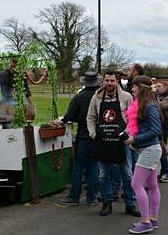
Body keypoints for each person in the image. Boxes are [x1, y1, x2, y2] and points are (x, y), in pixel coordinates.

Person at [87, 70, 140, 217]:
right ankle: (107, 202)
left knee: (127, 174)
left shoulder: (126, 97)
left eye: (112, 81)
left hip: (122, 143)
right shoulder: (96, 98)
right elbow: (90, 117)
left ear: (117, 81)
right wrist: (93, 134)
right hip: (103, 142)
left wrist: (127, 133)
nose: (109, 83)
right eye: (107, 80)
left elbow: (133, 118)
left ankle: (130, 204)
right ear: (103, 81)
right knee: (104, 175)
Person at [124, 75, 163, 234]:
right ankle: (152, 219)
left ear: (141, 88)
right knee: (152, 186)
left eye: (134, 86)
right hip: (148, 149)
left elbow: (156, 130)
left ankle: (145, 222)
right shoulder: (142, 104)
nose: (132, 89)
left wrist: (135, 138)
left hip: (150, 150)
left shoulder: (150, 106)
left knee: (136, 184)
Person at [55, 71, 100, 206]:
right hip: (97, 137)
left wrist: (62, 120)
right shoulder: (100, 97)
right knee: (93, 167)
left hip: (83, 136)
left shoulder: (79, 97)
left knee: (78, 167)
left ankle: (74, 196)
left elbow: (70, 116)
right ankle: (91, 198)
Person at [156, 81, 168, 183]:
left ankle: (166, 172)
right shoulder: (159, 96)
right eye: (156, 86)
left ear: (165, 87)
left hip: (164, 125)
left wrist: (154, 96)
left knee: (162, 148)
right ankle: (162, 171)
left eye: (159, 86)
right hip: (156, 124)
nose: (157, 88)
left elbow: (161, 106)